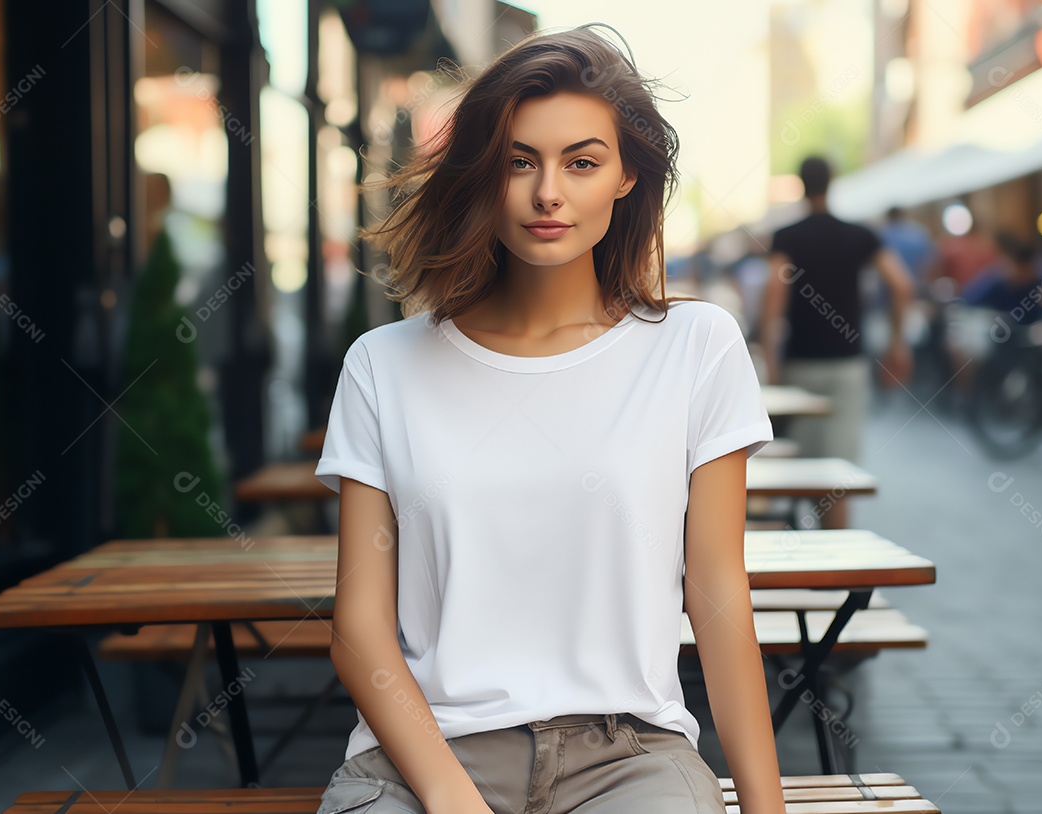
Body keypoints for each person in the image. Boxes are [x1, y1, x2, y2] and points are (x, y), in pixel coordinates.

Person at [314, 24, 786, 814]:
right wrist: (448, 796)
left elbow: (718, 598)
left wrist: (766, 811)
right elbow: (359, 626)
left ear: (627, 176)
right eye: (518, 161)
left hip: (628, 757)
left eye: (582, 162)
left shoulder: (696, 349)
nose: (548, 194)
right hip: (422, 753)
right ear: (481, 176)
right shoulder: (382, 365)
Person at [759, 156, 913, 528]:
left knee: (803, 472)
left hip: (802, 364)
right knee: (836, 477)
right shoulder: (860, 235)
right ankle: (835, 564)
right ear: (832, 183)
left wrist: (771, 361)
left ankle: (815, 555)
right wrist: (897, 344)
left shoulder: (788, 237)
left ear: (800, 184)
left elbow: (773, 303)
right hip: (848, 364)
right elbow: (902, 285)